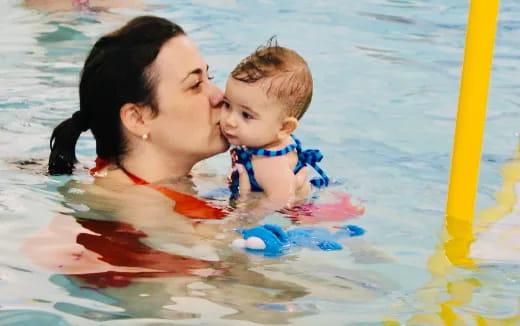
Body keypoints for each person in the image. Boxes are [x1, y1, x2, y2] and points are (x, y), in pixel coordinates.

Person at [220, 40, 329, 208]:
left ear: (284, 128)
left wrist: (239, 218)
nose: (230, 121)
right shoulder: (268, 142)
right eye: (227, 105)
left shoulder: (269, 164)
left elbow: (280, 202)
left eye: (246, 115)